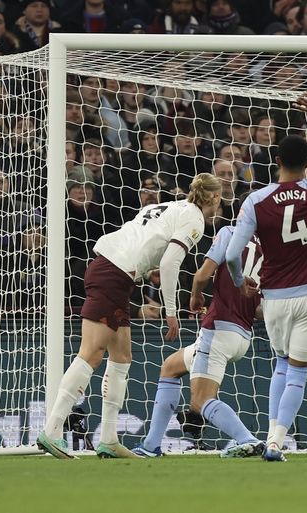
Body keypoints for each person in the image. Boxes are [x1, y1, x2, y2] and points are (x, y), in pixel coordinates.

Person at [37, 173, 223, 459]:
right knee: (91, 354)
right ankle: (52, 430)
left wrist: (145, 270)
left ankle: (109, 439)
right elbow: (170, 261)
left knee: (122, 357)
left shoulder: (166, 207)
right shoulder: (195, 219)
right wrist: (172, 311)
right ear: (214, 198)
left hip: (114, 271)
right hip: (113, 273)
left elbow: (143, 243)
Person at [226, 92, 307, 461]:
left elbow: (233, 254)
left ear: (276, 161)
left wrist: (239, 281)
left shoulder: (255, 200)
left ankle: (270, 436)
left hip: (274, 299)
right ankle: (277, 442)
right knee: (298, 370)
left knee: (280, 365)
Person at [133, 224, 263, 458]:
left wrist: (195, 295)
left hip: (219, 329)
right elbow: (261, 309)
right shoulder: (271, 249)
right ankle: (151, 445)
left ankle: (247, 439)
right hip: (243, 336)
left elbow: (203, 274)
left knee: (200, 400)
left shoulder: (230, 233)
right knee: (170, 367)